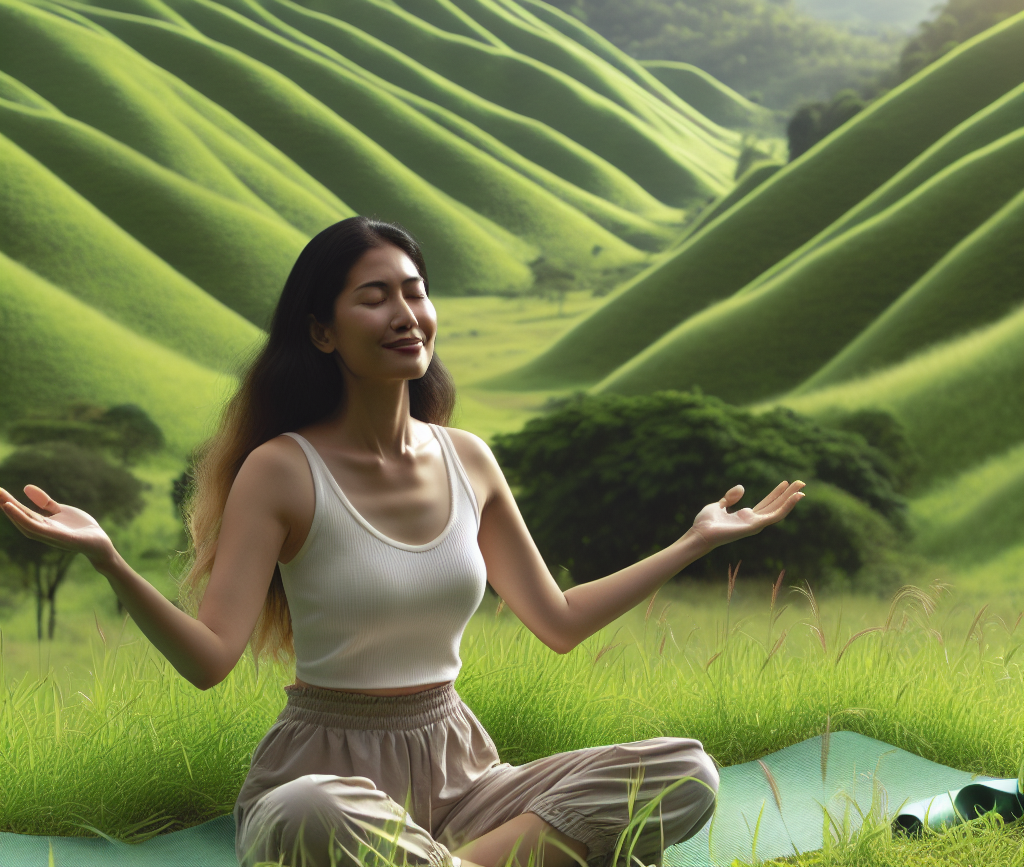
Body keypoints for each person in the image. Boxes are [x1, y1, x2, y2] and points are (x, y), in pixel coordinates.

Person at [0, 217, 805, 867]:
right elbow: (212, 658)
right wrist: (109, 559)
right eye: (374, 297)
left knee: (685, 771)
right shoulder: (282, 471)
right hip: (323, 779)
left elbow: (556, 621)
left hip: (462, 775)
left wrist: (694, 541)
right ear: (322, 332)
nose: (404, 314)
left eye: (414, 292)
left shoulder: (468, 460)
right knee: (310, 814)